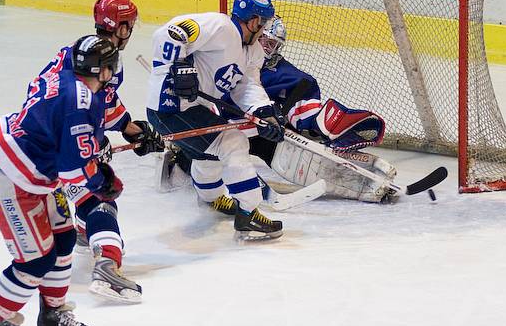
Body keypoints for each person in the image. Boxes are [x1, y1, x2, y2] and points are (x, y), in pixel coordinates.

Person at [0, 35, 122, 326]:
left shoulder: (67, 76)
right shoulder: (78, 103)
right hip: (10, 178)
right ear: (104, 70)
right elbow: (73, 170)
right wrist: (101, 183)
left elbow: (67, 127)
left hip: (36, 172)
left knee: (65, 239)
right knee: (36, 259)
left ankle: (53, 313)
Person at [161, 15, 390, 202]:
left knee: (276, 147)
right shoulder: (223, 54)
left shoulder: (282, 73)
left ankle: (351, 173)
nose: (267, 48)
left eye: (273, 44)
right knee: (205, 154)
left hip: (257, 132)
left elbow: (302, 103)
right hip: (217, 128)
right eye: (264, 40)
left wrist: (320, 122)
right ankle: (184, 158)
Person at [40, 0, 163, 303]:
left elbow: (103, 103)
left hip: (40, 137)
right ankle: (107, 265)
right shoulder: (105, 64)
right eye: (129, 25)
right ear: (120, 27)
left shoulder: (77, 52)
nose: (130, 30)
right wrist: (95, 141)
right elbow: (84, 111)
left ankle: (84, 229)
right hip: (60, 146)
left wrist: (128, 128)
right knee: (101, 201)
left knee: (83, 198)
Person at [147, 0, 285, 240]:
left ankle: (211, 197)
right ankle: (249, 212)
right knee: (233, 142)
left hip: (192, 108)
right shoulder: (220, 26)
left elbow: (248, 87)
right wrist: (179, 66)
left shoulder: (252, 52)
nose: (264, 28)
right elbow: (169, 33)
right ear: (253, 21)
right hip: (169, 106)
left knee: (210, 150)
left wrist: (265, 114)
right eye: (262, 22)